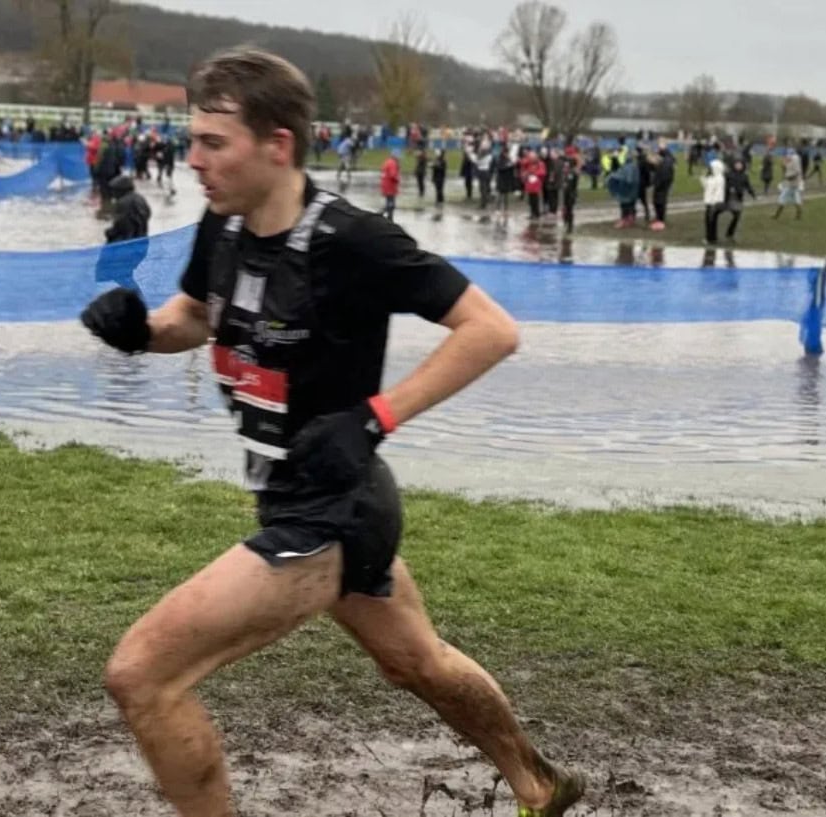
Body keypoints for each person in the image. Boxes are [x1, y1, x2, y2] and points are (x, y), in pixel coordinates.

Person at [78, 47, 585, 817]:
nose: (194, 161)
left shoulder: (353, 241)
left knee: (142, 673)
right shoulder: (225, 226)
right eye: (193, 142)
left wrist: (376, 417)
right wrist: (139, 331)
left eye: (214, 144)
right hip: (297, 499)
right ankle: (541, 785)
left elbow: (491, 328)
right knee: (418, 662)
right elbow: (196, 316)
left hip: (334, 511)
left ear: (277, 145)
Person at [104, 175, 151, 243]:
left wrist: (109, 232)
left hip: (126, 241)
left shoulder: (122, 203)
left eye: (114, 190)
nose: (112, 194)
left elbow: (121, 225)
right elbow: (147, 214)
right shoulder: (140, 197)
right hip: (142, 239)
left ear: (120, 190)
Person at [773, 151, 805, 220]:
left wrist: (789, 177)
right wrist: (783, 166)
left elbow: (796, 173)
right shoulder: (791, 162)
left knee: (783, 199)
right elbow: (786, 171)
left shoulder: (795, 161)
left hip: (792, 184)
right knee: (796, 200)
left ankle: (776, 215)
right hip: (792, 184)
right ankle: (798, 215)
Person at [650, 144, 675, 231]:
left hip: (662, 184)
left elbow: (665, 174)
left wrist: (658, 183)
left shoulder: (666, 161)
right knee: (656, 201)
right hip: (660, 183)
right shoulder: (665, 160)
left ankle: (661, 220)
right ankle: (658, 218)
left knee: (660, 201)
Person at [702, 158, 726, 245]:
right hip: (709, 202)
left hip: (714, 203)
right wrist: (704, 178)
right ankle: (712, 237)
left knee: (711, 221)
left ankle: (710, 238)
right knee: (709, 221)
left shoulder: (719, 178)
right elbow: (706, 188)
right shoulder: (711, 177)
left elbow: (718, 192)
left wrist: (714, 203)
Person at [380, 150, 401, 221]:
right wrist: (398, 179)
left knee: (389, 202)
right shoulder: (393, 163)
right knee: (391, 204)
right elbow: (393, 175)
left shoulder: (387, 161)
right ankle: (384, 216)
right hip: (390, 186)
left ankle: (389, 217)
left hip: (385, 185)